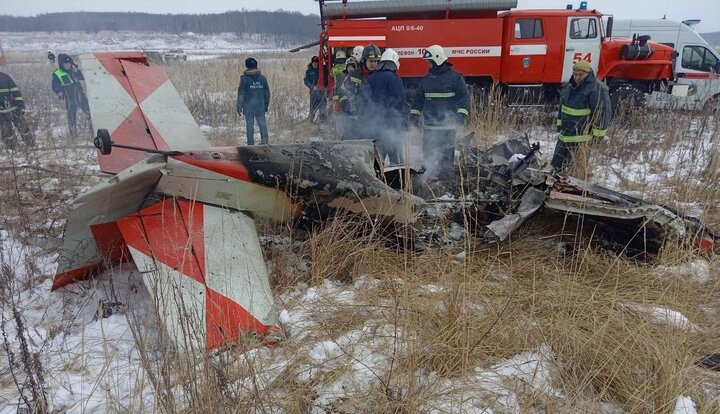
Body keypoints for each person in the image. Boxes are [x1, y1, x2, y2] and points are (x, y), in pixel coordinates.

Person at [410, 44, 470, 180]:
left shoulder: (455, 78)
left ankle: (447, 186)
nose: (427, 65)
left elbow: (464, 98)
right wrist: (413, 117)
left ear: (437, 59)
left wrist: (461, 116)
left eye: (429, 62)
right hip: (430, 128)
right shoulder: (426, 80)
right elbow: (418, 101)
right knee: (428, 159)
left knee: (446, 162)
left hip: (447, 129)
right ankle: (428, 183)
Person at [551, 59, 611, 172]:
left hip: (581, 139)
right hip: (564, 137)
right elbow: (562, 108)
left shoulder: (597, 89)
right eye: (575, 74)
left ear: (588, 74)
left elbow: (602, 112)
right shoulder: (570, 86)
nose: (577, 77)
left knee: (575, 172)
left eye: (581, 75)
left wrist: (598, 136)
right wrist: (559, 126)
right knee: (555, 169)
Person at [361, 48, 407, 164]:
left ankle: (376, 180)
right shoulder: (394, 79)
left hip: (374, 126)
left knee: (377, 160)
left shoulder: (370, 79)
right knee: (396, 160)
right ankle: (398, 180)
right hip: (391, 126)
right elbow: (400, 103)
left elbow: (363, 102)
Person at [337, 44, 382, 140]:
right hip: (354, 120)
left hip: (373, 121)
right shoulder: (354, 75)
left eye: (375, 61)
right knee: (348, 147)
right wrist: (347, 106)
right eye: (370, 61)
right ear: (364, 60)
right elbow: (342, 92)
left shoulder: (380, 76)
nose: (373, 64)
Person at [52, 54, 90, 136]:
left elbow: (83, 78)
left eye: (69, 63)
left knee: (88, 112)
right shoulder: (57, 73)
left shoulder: (74, 70)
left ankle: (92, 130)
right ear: (61, 64)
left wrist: (76, 71)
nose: (67, 65)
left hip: (80, 95)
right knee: (71, 117)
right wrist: (60, 93)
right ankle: (74, 134)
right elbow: (55, 85)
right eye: (65, 63)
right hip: (70, 98)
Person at [236, 57, 270, 145]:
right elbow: (267, 94)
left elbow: (241, 94)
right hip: (260, 106)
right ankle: (265, 142)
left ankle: (250, 144)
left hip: (248, 108)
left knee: (250, 126)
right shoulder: (262, 78)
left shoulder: (244, 79)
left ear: (246, 66)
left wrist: (239, 105)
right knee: (263, 125)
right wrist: (266, 105)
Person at [0, 71, 34, 149]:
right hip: (1, 113)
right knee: (6, 131)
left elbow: (16, 92)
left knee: (23, 127)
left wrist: (20, 106)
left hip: (14, 109)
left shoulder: (5, 77)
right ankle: (13, 149)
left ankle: (31, 145)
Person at [304, 56, 326, 123]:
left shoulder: (323, 70)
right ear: (312, 63)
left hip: (322, 92)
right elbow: (306, 80)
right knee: (313, 106)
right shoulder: (309, 71)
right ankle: (310, 120)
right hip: (313, 92)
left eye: (316, 62)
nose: (315, 64)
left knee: (322, 106)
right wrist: (312, 86)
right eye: (314, 62)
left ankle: (323, 119)